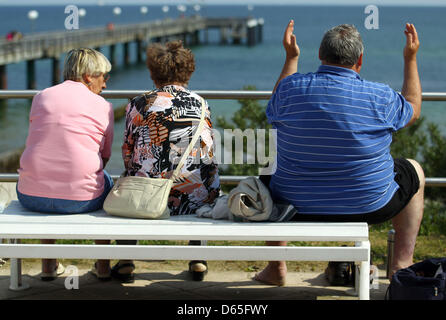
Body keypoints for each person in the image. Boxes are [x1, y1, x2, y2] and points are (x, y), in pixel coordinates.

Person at [255, 21, 423, 286]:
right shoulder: (380, 96)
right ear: (360, 60)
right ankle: (401, 265)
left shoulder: (290, 90)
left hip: (295, 207)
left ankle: (276, 267)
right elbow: (413, 107)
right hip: (369, 205)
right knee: (414, 170)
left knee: (269, 166)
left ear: (321, 55)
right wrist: (410, 58)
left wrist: (291, 58)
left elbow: (275, 106)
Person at [115, 40, 220, 282]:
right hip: (193, 199)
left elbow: (128, 152)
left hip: (147, 197)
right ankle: (197, 259)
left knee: (131, 178)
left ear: (153, 73)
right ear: (189, 72)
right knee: (203, 178)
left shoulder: (138, 104)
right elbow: (208, 153)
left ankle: (126, 259)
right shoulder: (202, 104)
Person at [17, 48, 114, 281]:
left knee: (48, 177)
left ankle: (49, 265)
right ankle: (102, 266)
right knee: (106, 181)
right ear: (89, 76)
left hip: (30, 195)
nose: (106, 85)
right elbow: (105, 155)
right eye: (104, 77)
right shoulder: (103, 106)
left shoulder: (41, 96)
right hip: (80, 201)